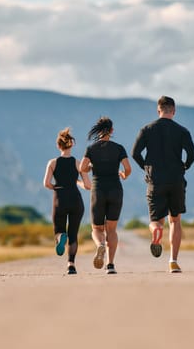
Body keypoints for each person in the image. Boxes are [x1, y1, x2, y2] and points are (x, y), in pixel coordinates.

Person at [131, 96, 194, 273]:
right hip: (176, 179)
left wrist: (146, 167)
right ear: (173, 111)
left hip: (155, 180)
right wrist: (185, 165)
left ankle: (156, 232)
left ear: (158, 110)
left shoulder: (147, 129)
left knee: (155, 220)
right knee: (175, 220)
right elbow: (192, 153)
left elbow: (135, 153)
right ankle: (173, 261)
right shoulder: (182, 131)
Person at [80, 117, 131, 274]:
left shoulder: (91, 149)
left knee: (96, 228)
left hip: (98, 190)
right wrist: (123, 175)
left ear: (98, 130)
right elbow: (128, 168)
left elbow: (82, 167)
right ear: (112, 131)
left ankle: (100, 245)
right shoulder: (119, 148)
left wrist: (91, 166)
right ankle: (110, 265)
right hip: (115, 189)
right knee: (112, 230)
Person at [43, 128, 91, 275]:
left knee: (59, 230)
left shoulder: (52, 163)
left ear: (59, 146)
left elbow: (46, 183)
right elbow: (88, 185)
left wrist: (57, 188)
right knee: (73, 234)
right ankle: (71, 265)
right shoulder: (78, 163)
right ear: (71, 145)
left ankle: (60, 237)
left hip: (60, 199)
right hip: (76, 200)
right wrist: (76, 182)